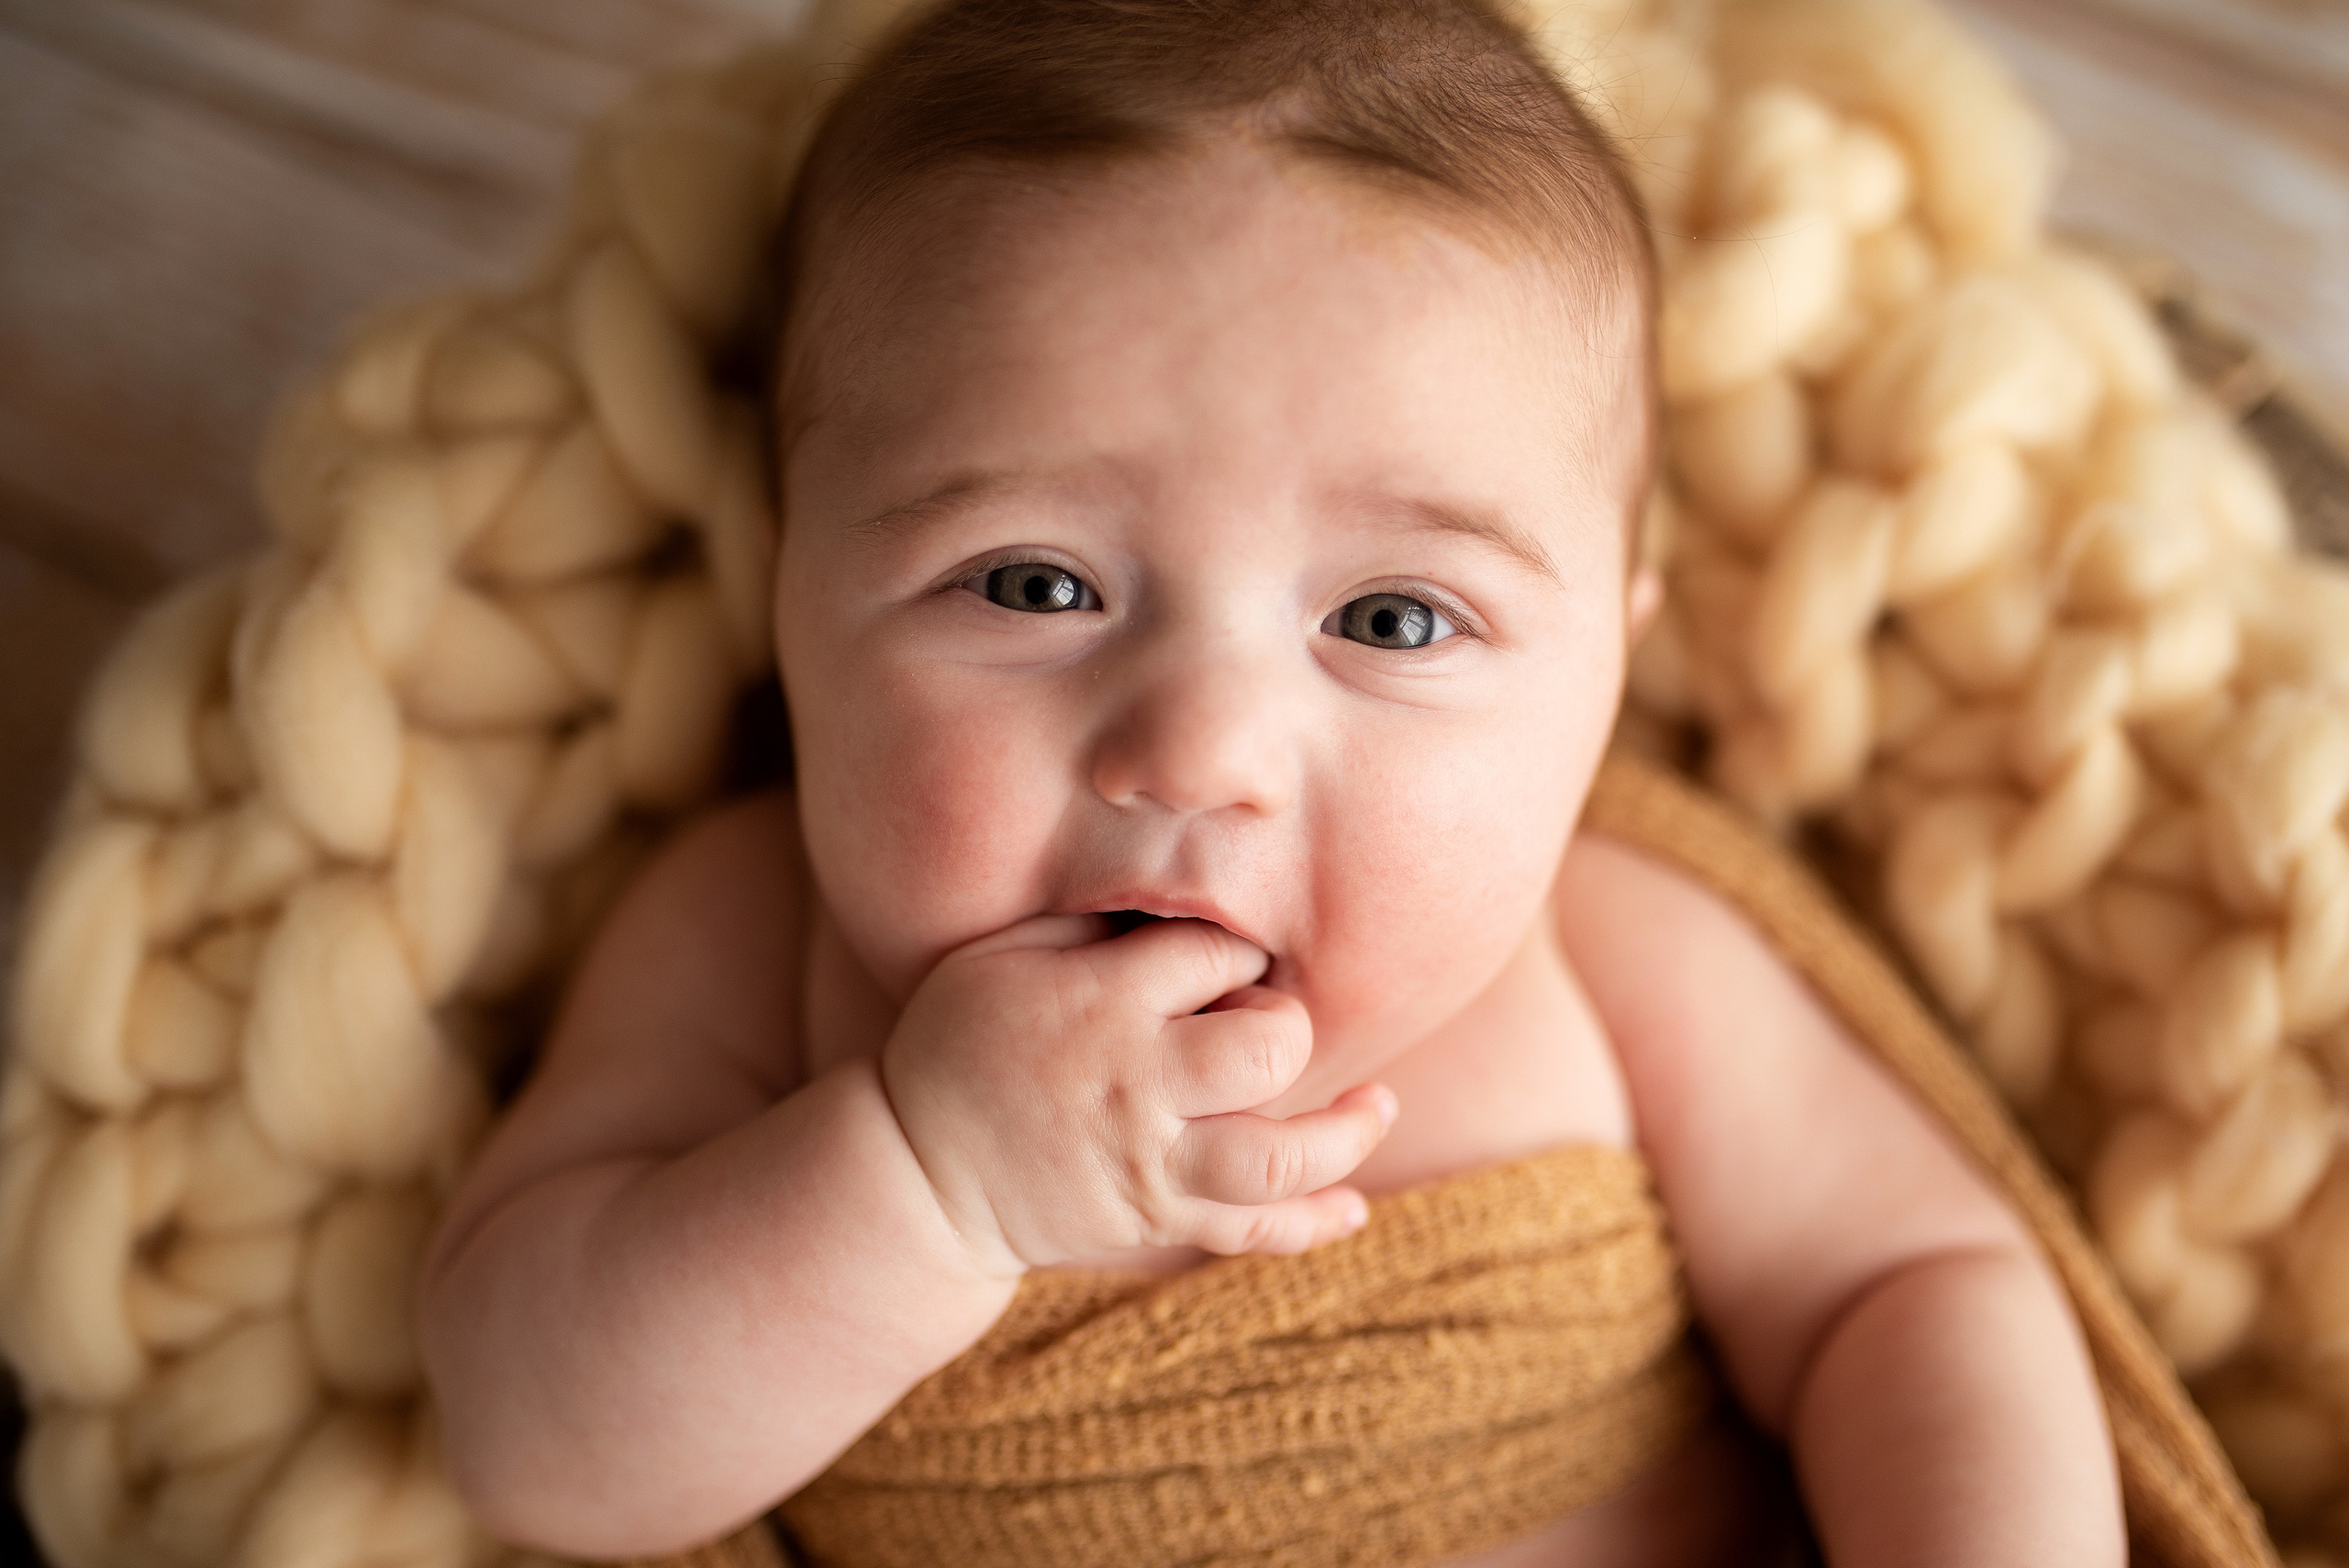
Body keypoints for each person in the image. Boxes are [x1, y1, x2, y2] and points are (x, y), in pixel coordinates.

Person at [417, 1, 2124, 1562]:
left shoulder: (1614, 956)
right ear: (792, 598)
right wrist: (921, 1189)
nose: (1201, 752)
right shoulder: (740, 938)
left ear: (1608, 672)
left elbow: (1910, 1288)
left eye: (1392, 617)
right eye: (1033, 583)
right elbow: (534, 1448)